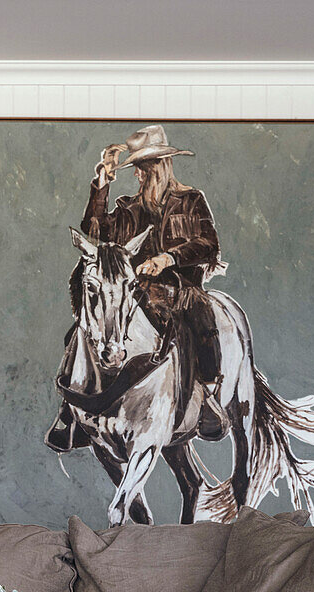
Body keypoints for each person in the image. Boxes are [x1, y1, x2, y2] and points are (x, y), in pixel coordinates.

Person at [46, 124, 230, 454]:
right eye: (139, 170)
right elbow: (95, 232)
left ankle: (208, 398)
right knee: (83, 328)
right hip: (134, 290)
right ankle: (73, 411)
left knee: (202, 313)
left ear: (163, 166)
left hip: (178, 287)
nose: (141, 176)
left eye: (147, 168)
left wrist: (168, 259)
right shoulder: (128, 207)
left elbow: (209, 244)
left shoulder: (190, 201)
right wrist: (101, 186)